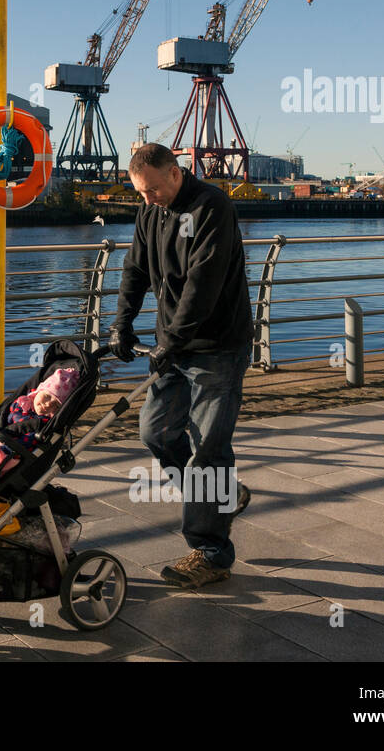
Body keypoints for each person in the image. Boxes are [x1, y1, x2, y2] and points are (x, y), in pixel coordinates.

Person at [107, 143, 254, 589]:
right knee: (156, 432)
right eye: (140, 193)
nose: (148, 199)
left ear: (175, 173)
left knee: (208, 446)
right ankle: (219, 498)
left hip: (216, 346)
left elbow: (202, 283)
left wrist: (170, 340)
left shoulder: (212, 205)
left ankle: (211, 552)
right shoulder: (150, 212)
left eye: (153, 189)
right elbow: (135, 268)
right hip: (172, 346)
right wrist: (121, 324)